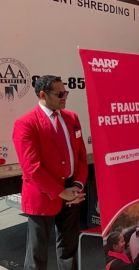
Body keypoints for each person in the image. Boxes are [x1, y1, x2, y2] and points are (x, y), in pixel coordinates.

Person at [12, 75, 88, 270]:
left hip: (72, 190)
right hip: (43, 194)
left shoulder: (71, 117)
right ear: (43, 95)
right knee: (37, 253)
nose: (65, 97)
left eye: (66, 92)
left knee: (69, 248)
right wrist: (60, 192)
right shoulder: (26, 123)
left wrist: (77, 185)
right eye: (60, 93)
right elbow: (32, 168)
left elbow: (80, 155)